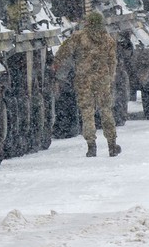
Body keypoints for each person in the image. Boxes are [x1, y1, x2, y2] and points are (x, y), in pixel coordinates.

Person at [51, 11, 121, 157]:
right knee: (106, 111)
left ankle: (91, 145)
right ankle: (112, 144)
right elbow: (113, 61)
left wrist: (56, 64)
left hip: (83, 80)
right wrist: (110, 76)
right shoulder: (108, 40)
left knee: (87, 112)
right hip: (102, 80)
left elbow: (64, 52)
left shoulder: (79, 37)